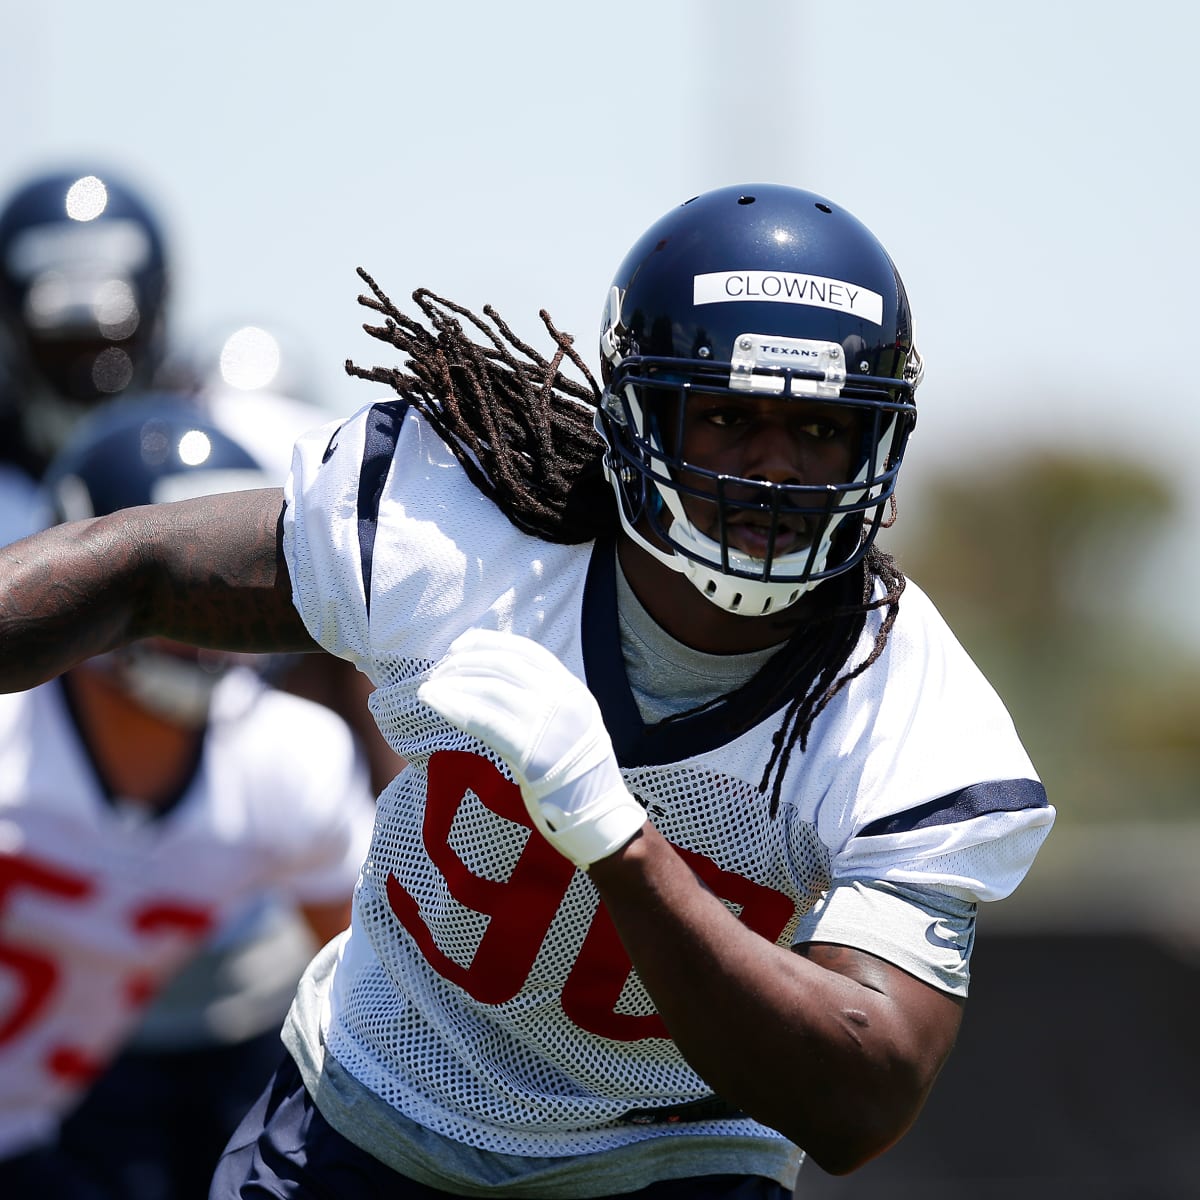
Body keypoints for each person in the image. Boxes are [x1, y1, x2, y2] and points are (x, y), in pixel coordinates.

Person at [0, 183, 1055, 1198]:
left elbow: (857, 1106)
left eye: (821, 429)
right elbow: (138, 574)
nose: (773, 470)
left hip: (674, 1161)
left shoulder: (907, 712)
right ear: (639, 416)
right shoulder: (459, 543)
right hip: (374, 1119)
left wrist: (619, 845)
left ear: (879, 443)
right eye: (729, 418)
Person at [0, 398, 377, 1197]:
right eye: (172, 580)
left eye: (224, 578)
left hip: (34, 1134)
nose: (205, 611)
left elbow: (379, 998)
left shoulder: (284, 760)